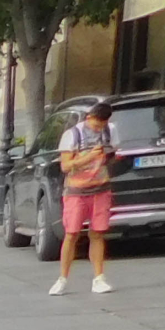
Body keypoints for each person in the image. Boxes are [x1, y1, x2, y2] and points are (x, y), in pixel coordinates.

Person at [52, 98, 114, 296]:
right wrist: (89, 157)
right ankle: (62, 278)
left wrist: (107, 157)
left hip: (101, 188)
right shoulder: (72, 134)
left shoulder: (110, 131)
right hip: (76, 191)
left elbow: (114, 154)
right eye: (96, 124)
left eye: (102, 125)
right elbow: (65, 166)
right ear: (89, 117)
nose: (98, 129)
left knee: (97, 233)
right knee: (71, 234)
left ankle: (99, 278)